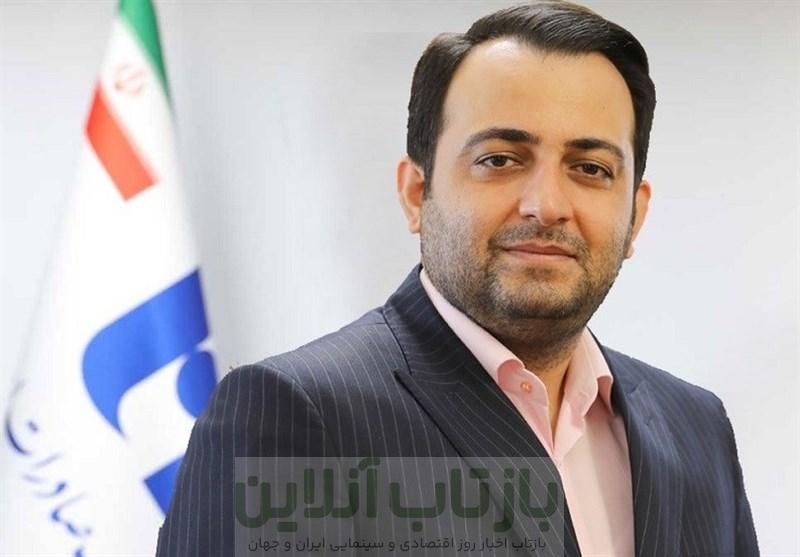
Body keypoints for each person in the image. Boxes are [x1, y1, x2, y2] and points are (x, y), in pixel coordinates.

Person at [156, 2, 758, 556]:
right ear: (416, 192)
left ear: (635, 217)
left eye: (591, 168)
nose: (547, 205)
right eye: (500, 159)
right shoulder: (298, 414)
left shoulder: (696, 428)